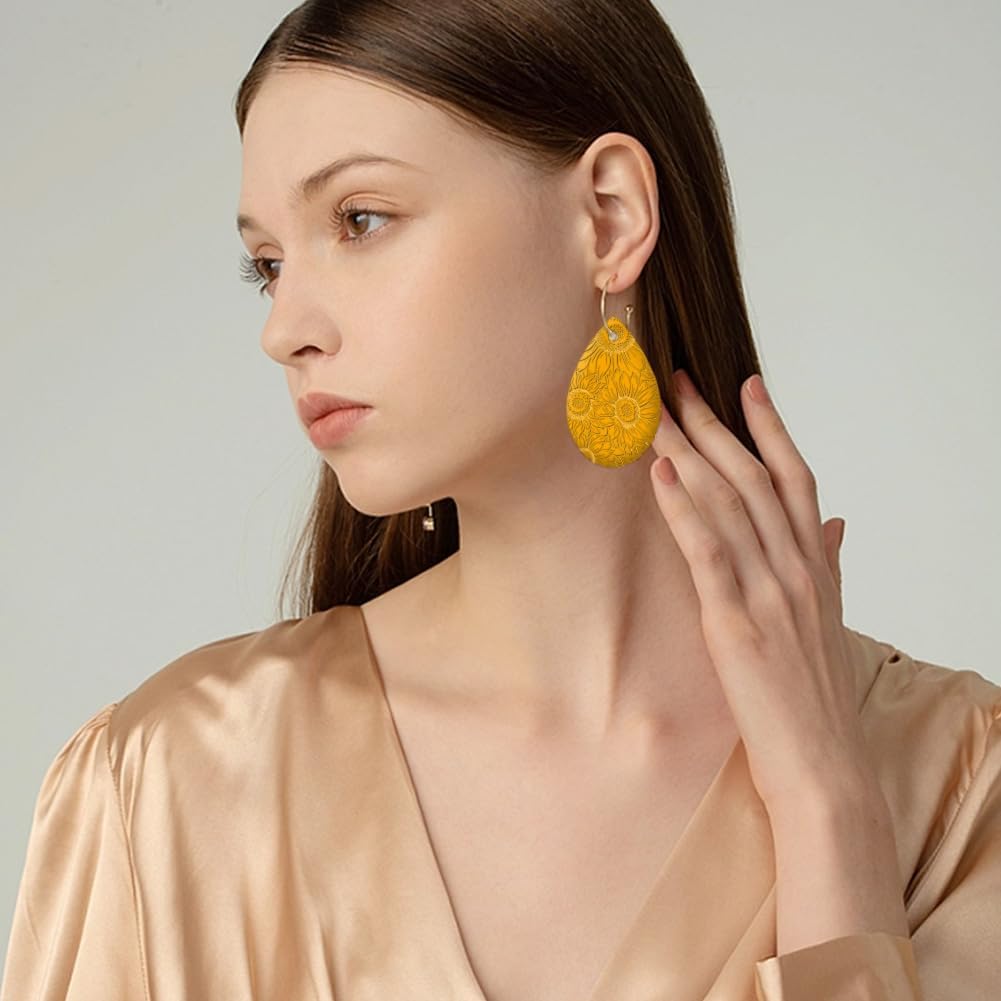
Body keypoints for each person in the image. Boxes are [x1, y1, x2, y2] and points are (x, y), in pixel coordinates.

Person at [3, 2, 999, 999]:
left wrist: (825, 805)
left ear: (607, 217)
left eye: (359, 220)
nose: (283, 329)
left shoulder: (962, 785)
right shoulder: (174, 775)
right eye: (268, 265)